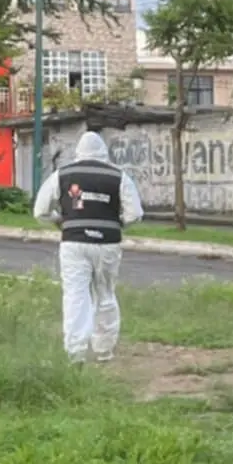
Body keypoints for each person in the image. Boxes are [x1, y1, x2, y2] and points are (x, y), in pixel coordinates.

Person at [32, 131, 144, 363]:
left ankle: (75, 353)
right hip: (108, 243)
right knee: (105, 293)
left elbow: (40, 211)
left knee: (75, 295)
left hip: (74, 242)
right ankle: (104, 350)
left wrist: (59, 221)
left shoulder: (62, 174)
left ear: (78, 152)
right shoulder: (118, 176)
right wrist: (117, 223)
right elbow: (135, 214)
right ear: (104, 152)